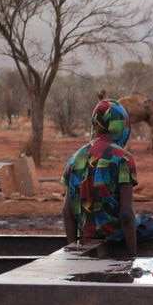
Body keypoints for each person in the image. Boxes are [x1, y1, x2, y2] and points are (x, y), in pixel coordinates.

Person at [61, 98, 139, 256]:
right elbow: (126, 214)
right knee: (148, 226)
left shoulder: (75, 158)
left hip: (86, 242)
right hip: (114, 240)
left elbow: (67, 212)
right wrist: (133, 256)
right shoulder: (123, 158)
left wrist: (74, 252)